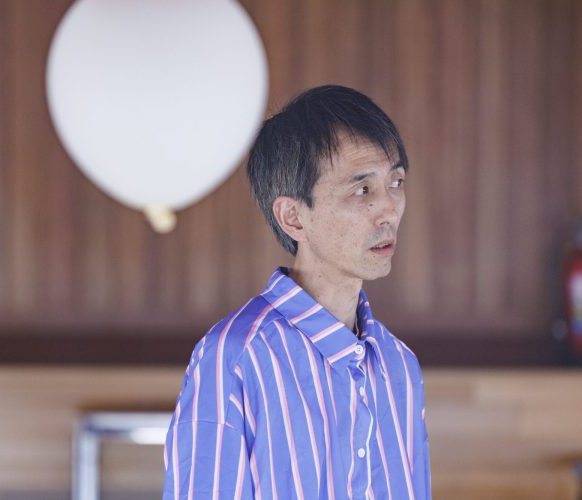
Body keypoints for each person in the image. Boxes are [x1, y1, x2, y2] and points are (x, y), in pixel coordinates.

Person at [162, 85, 431, 499]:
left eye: (395, 181)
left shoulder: (400, 365)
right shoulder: (235, 358)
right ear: (293, 217)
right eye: (362, 190)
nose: (389, 209)